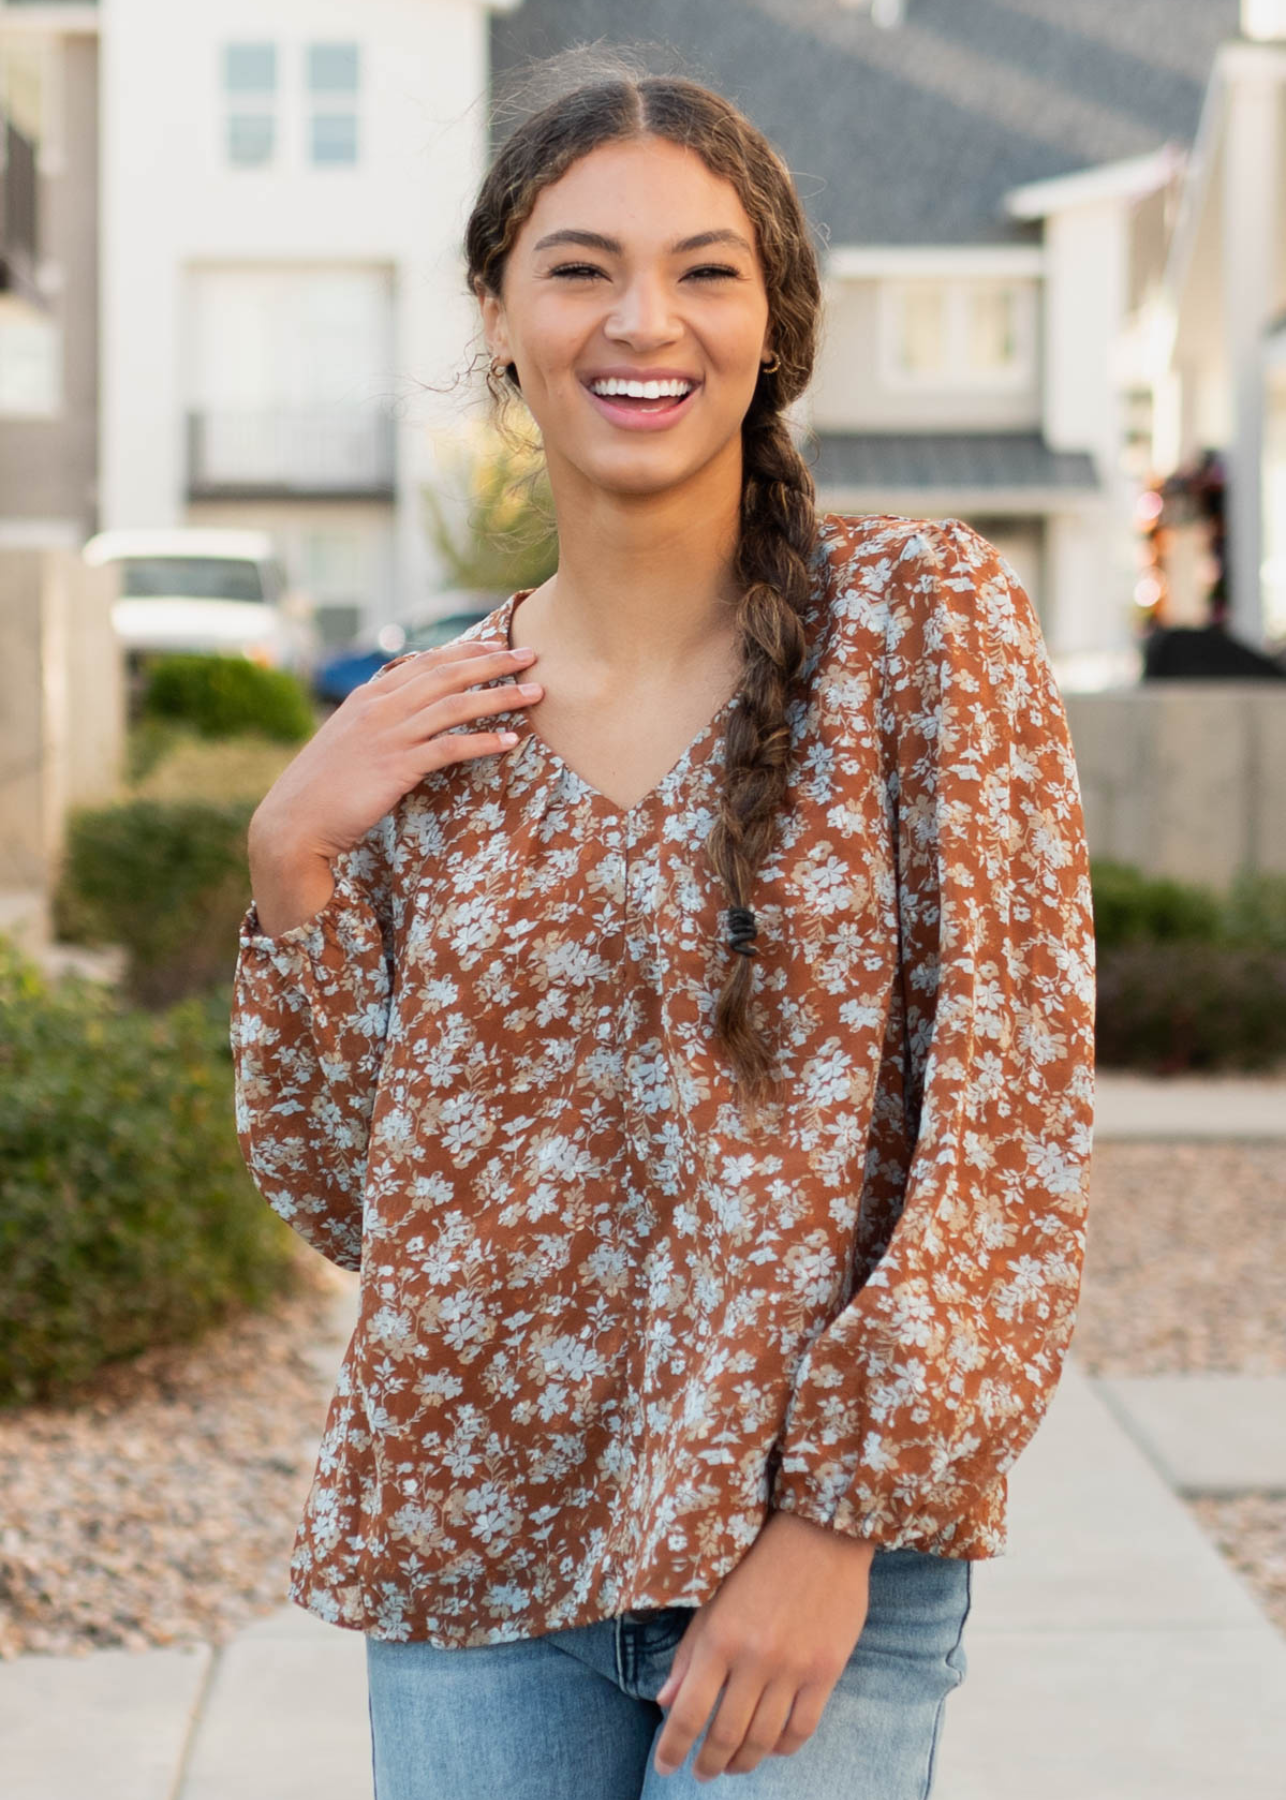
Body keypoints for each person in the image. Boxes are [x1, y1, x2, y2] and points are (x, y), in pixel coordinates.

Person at [230, 53, 1096, 1800]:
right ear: (497, 311)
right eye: (578, 266)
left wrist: (838, 1522)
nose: (645, 321)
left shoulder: (922, 630)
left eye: (706, 269)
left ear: (775, 323)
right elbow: (354, 1204)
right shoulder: (420, 732)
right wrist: (290, 859)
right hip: (467, 1560)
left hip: (801, 1573)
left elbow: (1005, 1138)